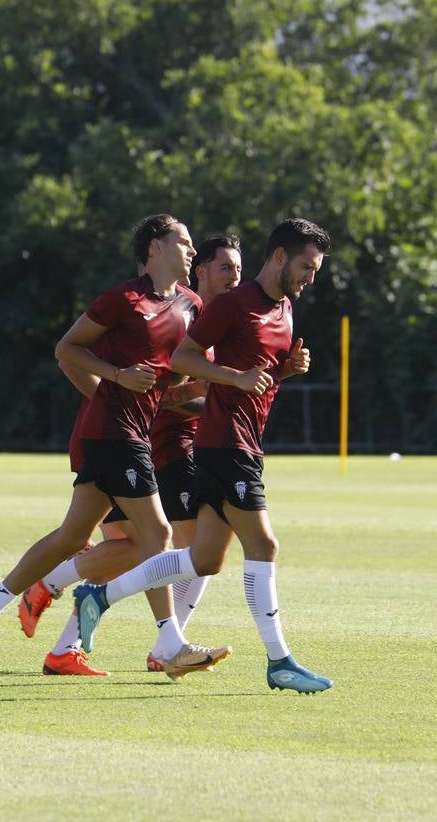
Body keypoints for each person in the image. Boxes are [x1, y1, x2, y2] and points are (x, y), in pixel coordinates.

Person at [0, 215, 232, 679]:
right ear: (154, 248)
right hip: (113, 435)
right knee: (157, 535)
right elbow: (67, 349)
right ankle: (170, 644)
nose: (191, 250)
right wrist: (117, 379)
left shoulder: (190, 305)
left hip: (129, 433)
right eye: (182, 242)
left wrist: (229, 388)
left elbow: (179, 380)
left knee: (70, 538)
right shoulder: (123, 299)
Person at [71, 218, 335, 694]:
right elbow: (185, 359)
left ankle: (99, 596)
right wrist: (233, 378)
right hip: (223, 444)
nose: (310, 277)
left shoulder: (287, 309)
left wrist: (286, 373)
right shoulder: (235, 305)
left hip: (246, 444)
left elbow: (258, 380)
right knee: (265, 546)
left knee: (206, 559)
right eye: (306, 266)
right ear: (279, 256)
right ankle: (280, 662)